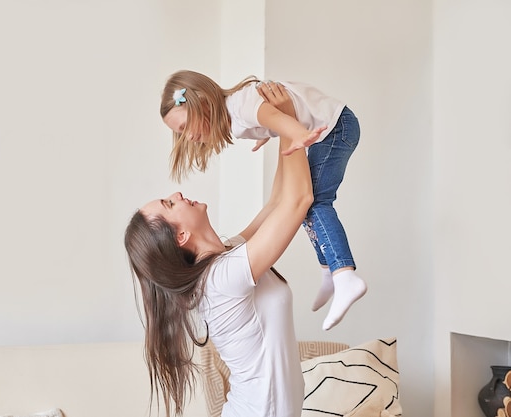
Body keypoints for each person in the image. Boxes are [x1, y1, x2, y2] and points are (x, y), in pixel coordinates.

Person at [159, 69, 367, 331]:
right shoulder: (223, 269)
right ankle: (332, 269)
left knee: (316, 204)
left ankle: (342, 272)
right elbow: (274, 120)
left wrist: (294, 133)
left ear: (202, 102)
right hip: (329, 129)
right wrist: (276, 130)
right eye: (180, 133)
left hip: (335, 128)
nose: (187, 136)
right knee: (311, 207)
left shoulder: (238, 106)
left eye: (184, 127)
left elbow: (272, 117)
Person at [124, 133, 313, 417]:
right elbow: (300, 200)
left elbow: (276, 203)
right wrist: (288, 124)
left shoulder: (228, 258)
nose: (176, 194)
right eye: (169, 204)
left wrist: (278, 127)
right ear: (181, 236)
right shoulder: (221, 279)